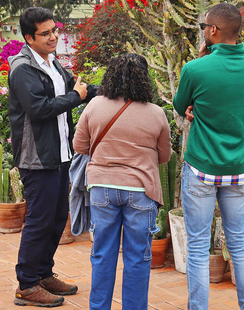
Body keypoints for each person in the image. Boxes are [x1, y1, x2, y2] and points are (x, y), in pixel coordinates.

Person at [172, 3, 244, 310]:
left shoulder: (195, 69)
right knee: (239, 242)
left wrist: (202, 65)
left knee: (198, 247)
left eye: (203, 27)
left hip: (201, 166)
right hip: (239, 167)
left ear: (212, 30)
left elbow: (179, 104)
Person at [8, 7, 98, 307]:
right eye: (45, 33)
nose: (53, 37)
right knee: (39, 220)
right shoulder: (23, 68)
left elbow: (77, 88)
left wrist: (110, 90)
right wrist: (77, 98)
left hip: (60, 154)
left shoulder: (53, 64)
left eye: (54, 30)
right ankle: (26, 284)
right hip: (36, 157)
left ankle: (44, 274)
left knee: (58, 216)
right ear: (29, 37)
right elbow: (40, 108)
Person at [73, 53, 172, 310]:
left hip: (102, 188)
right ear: (144, 79)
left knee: (102, 254)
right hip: (141, 189)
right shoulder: (156, 113)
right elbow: (165, 156)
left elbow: (80, 146)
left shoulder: (94, 106)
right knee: (138, 257)